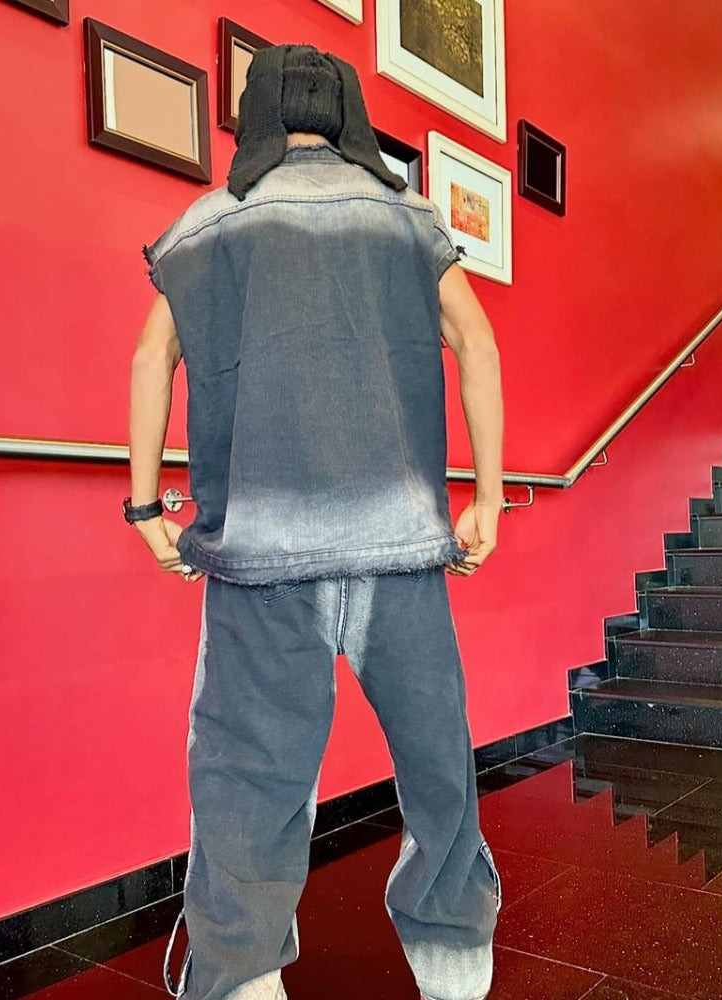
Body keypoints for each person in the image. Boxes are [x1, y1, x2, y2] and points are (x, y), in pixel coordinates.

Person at [126, 42, 504, 1000]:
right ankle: (455, 965)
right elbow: (477, 342)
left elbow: (150, 358)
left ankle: (241, 975)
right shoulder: (408, 218)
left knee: (247, 775)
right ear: (349, 116)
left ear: (257, 113)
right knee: (438, 764)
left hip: (260, 557)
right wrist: (490, 496)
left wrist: (144, 506)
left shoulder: (209, 223)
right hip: (400, 547)